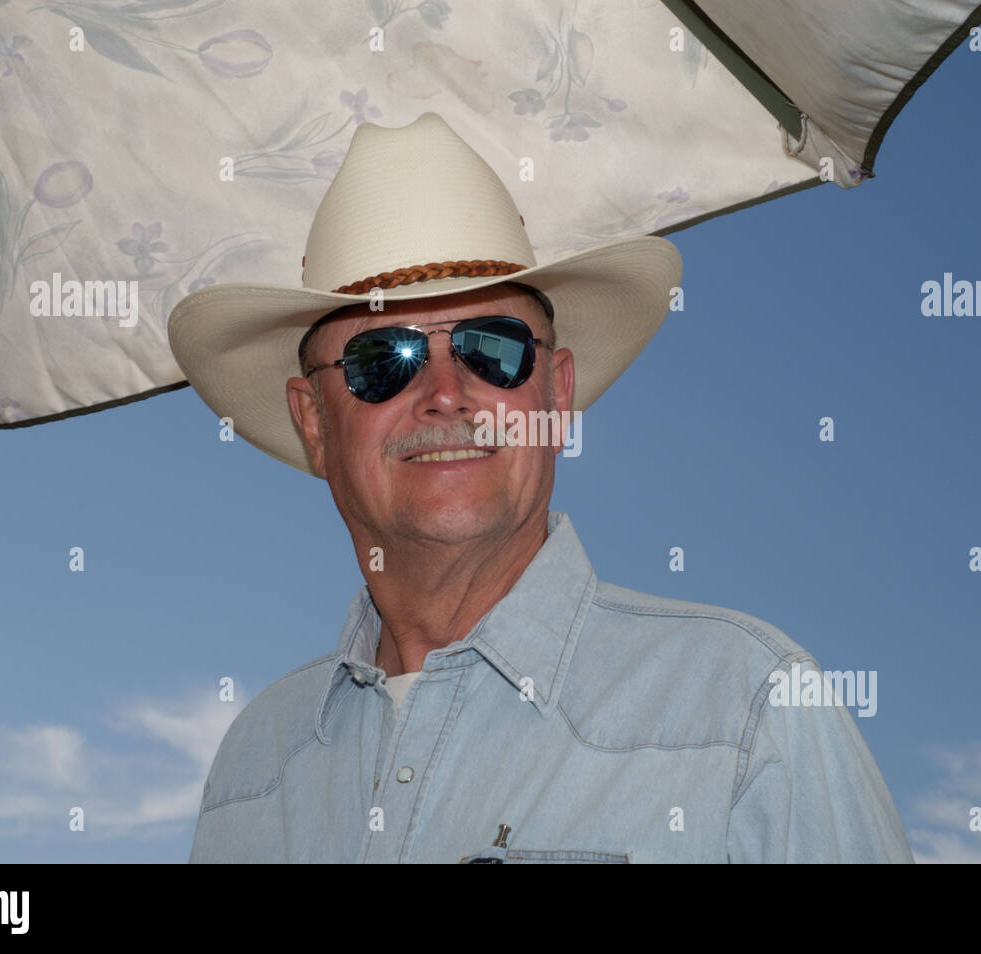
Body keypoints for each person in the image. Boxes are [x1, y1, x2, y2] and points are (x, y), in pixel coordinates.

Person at [169, 111, 913, 863]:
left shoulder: (754, 714)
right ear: (315, 422)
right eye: (381, 358)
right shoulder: (250, 772)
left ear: (556, 397)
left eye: (493, 348)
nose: (446, 393)